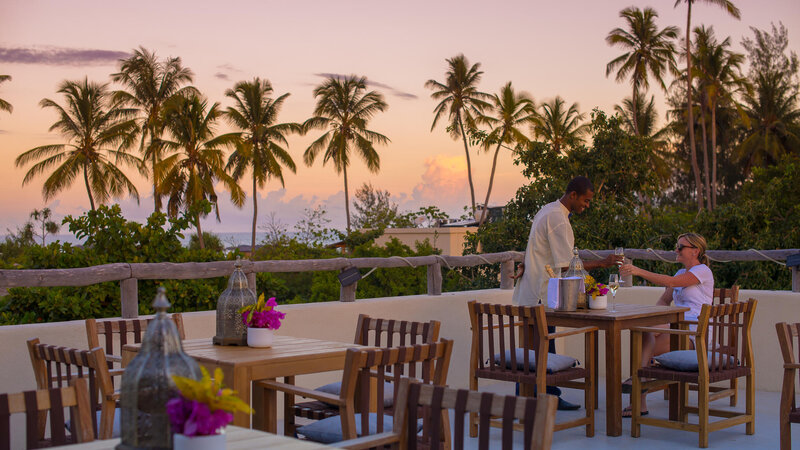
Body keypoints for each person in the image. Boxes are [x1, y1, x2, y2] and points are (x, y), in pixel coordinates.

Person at [512, 176, 621, 410]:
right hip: (542, 294)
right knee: (540, 347)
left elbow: (538, 252)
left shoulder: (548, 209)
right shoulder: (558, 220)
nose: (587, 205)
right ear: (573, 195)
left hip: (532, 291)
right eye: (586, 200)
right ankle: (541, 399)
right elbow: (567, 265)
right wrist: (603, 263)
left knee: (536, 347)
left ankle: (544, 397)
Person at [618, 232, 714, 417]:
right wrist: (655, 319)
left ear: (695, 251)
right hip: (677, 328)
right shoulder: (680, 272)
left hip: (695, 333)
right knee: (643, 332)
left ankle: (638, 391)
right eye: (676, 246)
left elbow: (670, 282)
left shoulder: (702, 271)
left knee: (643, 344)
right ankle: (640, 389)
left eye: (680, 247)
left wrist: (638, 271)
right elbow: (664, 301)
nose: (676, 250)